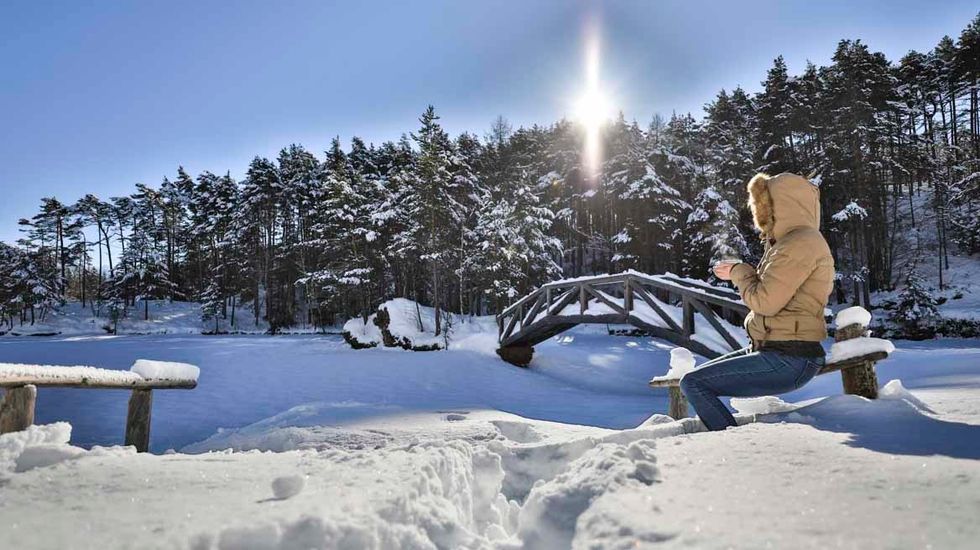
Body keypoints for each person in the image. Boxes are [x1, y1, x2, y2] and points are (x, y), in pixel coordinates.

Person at [679, 172, 835, 431]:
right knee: (693, 379)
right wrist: (739, 272)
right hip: (777, 350)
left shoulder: (800, 244)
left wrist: (738, 272)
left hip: (791, 358)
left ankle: (731, 445)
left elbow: (764, 302)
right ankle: (728, 440)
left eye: (765, 208)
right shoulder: (789, 243)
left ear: (781, 206)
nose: (761, 216)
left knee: (693, 383)